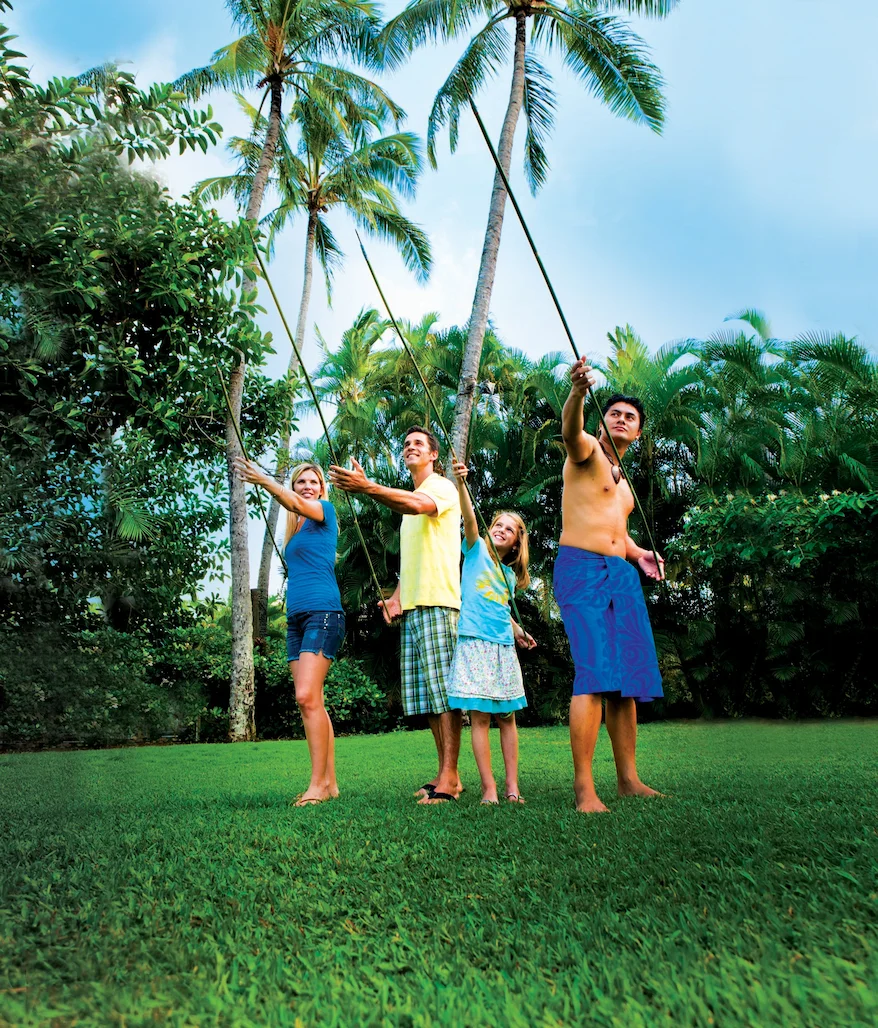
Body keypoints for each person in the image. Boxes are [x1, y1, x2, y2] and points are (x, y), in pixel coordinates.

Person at [329, 427, 463, 804]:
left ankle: (451, 779)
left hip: (439, 602)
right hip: (416, 604)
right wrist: (397, 598)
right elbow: (412, 560)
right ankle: (444, 774)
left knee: (445, 696)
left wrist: (368, 487)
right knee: (427, 697)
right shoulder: (410, 506)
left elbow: (416, 504)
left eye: (418, 443)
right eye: (406, 444)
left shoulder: (440, 488)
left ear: (433, 454)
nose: (410, 448)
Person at [554, 359, 665, 814]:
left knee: (628, 679)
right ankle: (585, 788)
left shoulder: (624, 485)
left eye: (630, 417)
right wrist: (578, 392)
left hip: (621, 574)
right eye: (615, 413)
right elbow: (569, 430)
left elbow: (618, 528)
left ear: (637, 433)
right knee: (596, 673)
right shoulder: (586, 454)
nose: (622, 419)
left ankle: (629, 780)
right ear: (602, 424)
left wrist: (639, 553)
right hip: (582, 569)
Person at [233, 458, 344, 806]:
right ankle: (329, 783)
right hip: (297, 620)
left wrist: (263, 480)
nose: (308, 486)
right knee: (314, 702)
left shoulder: (324, 512)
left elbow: (295, 504)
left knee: (306, 697)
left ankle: (316, 786)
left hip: (323, 614)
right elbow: (293, 508)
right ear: (295, 486)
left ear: (321, 489)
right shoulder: (295, 533)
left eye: (313, 481)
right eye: (301, 482)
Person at [447, 461, 536, 805]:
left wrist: (518, 632)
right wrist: (462, 484)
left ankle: (512, 786)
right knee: (480, 718)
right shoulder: (475, 551)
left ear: (515, 543)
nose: (500, 529)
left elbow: (500, 608)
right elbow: (470, 520)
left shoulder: (510, 577)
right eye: (497, 524)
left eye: (509, 529)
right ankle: (489, 789)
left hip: (502, 647)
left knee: (508, 717)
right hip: (473, 643)